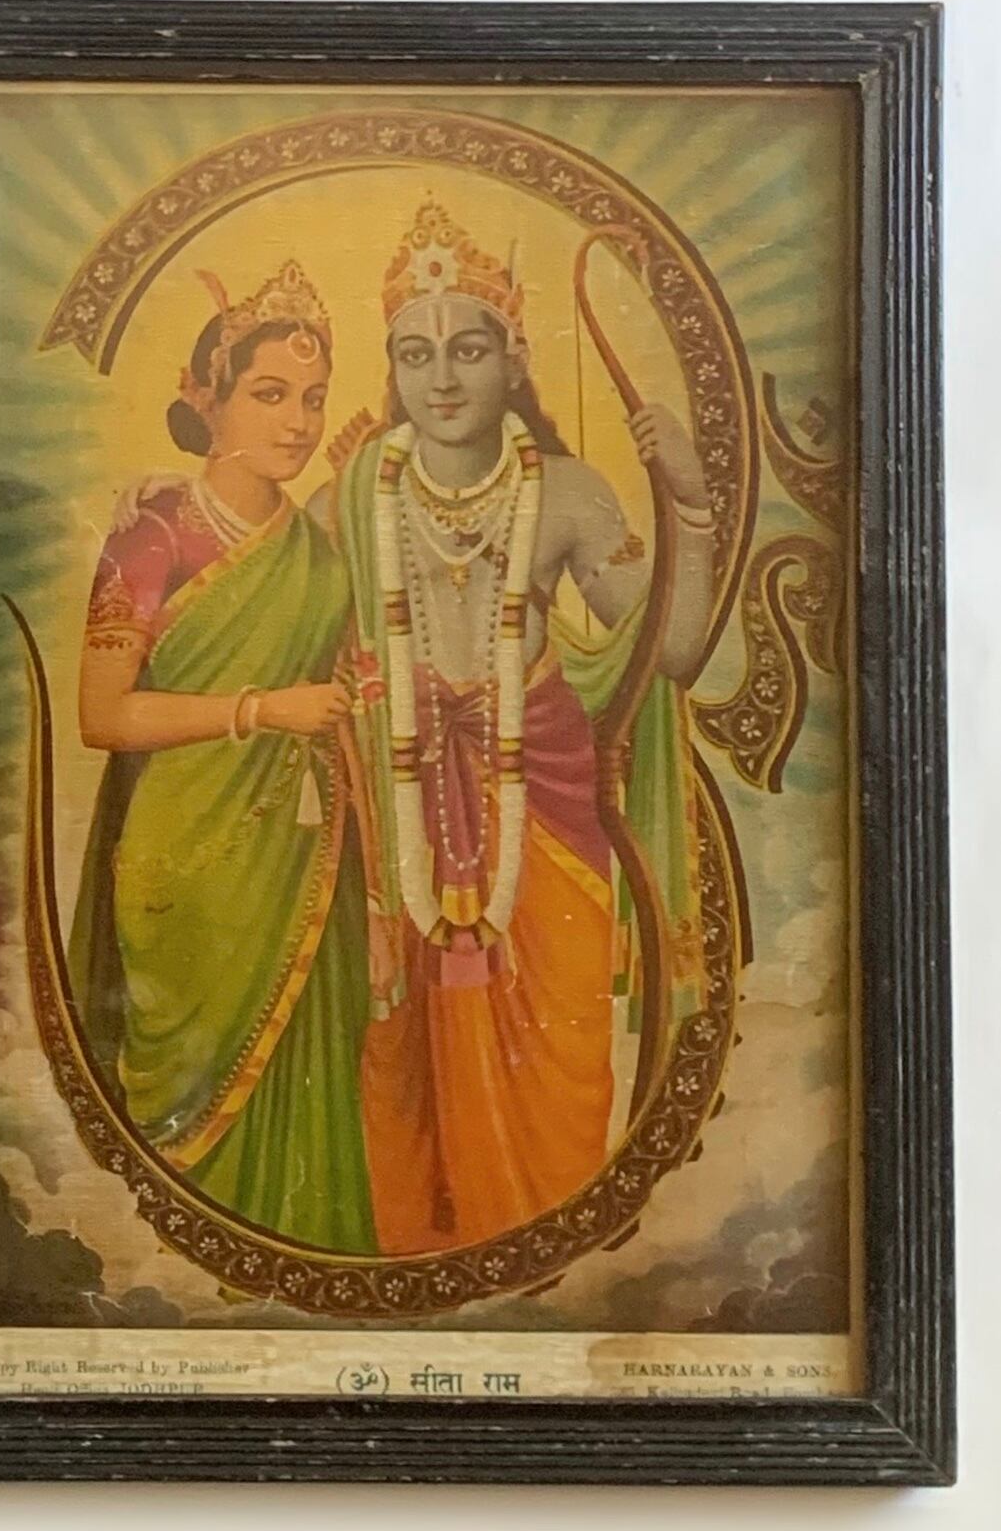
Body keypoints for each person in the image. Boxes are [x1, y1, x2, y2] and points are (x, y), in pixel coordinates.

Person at [323, 200, 710, 1252]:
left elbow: (673, 651)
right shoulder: (352, 495)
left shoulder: (568, 494)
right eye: (415, 354)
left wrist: (689, 503)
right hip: (398, 819)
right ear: (392, 369)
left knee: (558, 1059)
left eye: (468, 348)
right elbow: (283, 632)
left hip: (543, 802)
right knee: (401, 1065)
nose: (441, 378)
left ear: (514, 359)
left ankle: (547, 1260)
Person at [68, 261, 377, 1252]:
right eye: (269, 394)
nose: (297, 421)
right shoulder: (150, 534)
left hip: (302, 864)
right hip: (185, 867)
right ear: (209, 398)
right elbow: (102, 716)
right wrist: (259, 710)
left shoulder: (318, 550)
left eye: (312, 398)